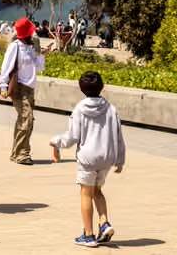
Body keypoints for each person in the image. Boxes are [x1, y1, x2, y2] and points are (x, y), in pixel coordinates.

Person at [50, 71, 126, 248]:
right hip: (107, 158)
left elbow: (72, 137)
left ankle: (88, 234)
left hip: (88, 159)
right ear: (102, 86)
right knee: (97, 191)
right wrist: (120, 160)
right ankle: (104, 222)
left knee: (86, 193)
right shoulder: (111, 108)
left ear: (81, 88)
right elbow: (119, 135)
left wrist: (55, 142)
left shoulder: (79, 109)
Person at [0, 16, 48, 165]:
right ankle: (22, 154)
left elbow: (39, 67)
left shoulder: (31, 47)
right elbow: (6, 67)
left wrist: (39, 52)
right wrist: (3, 86)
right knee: (27, 118)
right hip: (19, 88)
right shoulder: (15, 46)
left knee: (26, 120)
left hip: (30, 89)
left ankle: (16, 152)